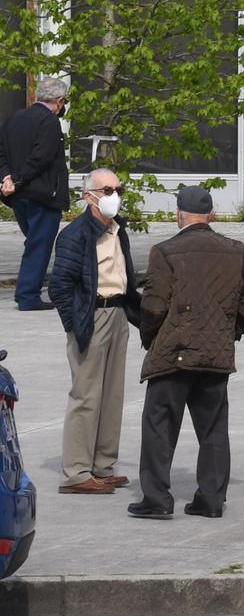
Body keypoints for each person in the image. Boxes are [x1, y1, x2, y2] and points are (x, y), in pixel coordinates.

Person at [129, 186, 244, 520]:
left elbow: (153, 306)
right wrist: (230, 332)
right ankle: (211, 499)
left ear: (179, 215)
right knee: (214, 428)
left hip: (174, 353)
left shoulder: (165, 251)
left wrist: (150, 339)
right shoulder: (235, 250)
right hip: (215, 354)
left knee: (160, 424)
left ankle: (157, 499)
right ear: (211, 215)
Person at [48, 168, 136, 494]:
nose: (115, 195)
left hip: (118, 315)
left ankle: (102, 465)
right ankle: (77, 472)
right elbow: (59, 287)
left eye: (118, 189)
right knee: (86, 396)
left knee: (112, 396)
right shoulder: (75, 235)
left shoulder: (117, 229)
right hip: (92, 316)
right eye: (107, 189)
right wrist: (76, 324)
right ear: (89, 196)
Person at [0, 76, 69, 310]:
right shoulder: (49, 121)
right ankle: (28, 296)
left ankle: (27, 292)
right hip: (41, 193)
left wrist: (6, 178)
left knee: (33, 242)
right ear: (59, 101)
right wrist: (17, 180)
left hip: (17, 196)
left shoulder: (14, 118)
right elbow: (42, 157)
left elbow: (2, 154)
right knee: (39, 245)